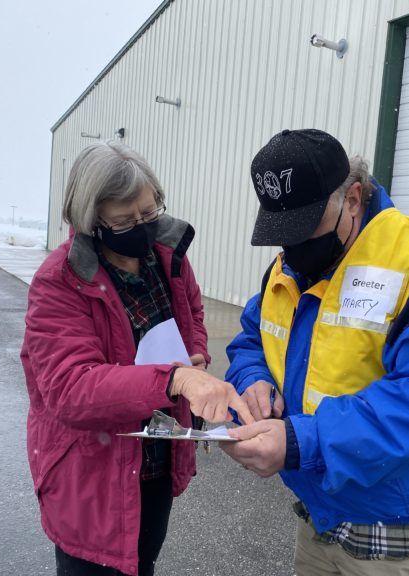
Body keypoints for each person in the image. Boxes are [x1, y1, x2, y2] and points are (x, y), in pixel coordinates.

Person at [221, 128, 409, 576]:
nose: (293, 248)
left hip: (403, 528)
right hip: (321, 516)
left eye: (307, 227)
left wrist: (301, 442)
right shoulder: (291, 265)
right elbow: (254, 335)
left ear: (351, 198)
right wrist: (254, 379)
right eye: (283, 233)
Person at [20, 141, 255, 576]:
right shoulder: (59, 281)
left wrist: (196, 354)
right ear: (91, 220)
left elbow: (192, 312)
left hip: (155, 459)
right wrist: (175, 379)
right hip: (91, 472)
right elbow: (70, 388)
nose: (142, 227)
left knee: (143, 563)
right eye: (125, 221)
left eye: (149, 212)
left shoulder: (167, 257)